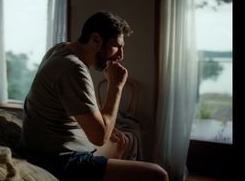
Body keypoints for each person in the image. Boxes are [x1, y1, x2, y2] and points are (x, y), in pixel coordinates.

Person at [19, 11, 169, 181]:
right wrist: (116, 86)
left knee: (120, 142)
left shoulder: (60, 49)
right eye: (117, 46)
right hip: (58, 159)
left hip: (44, 146)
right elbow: (100, 137)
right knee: (158, 174)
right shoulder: (72, 69)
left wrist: (107, 127)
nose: (121, 56)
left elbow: (76, 108)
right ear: (96, 40)